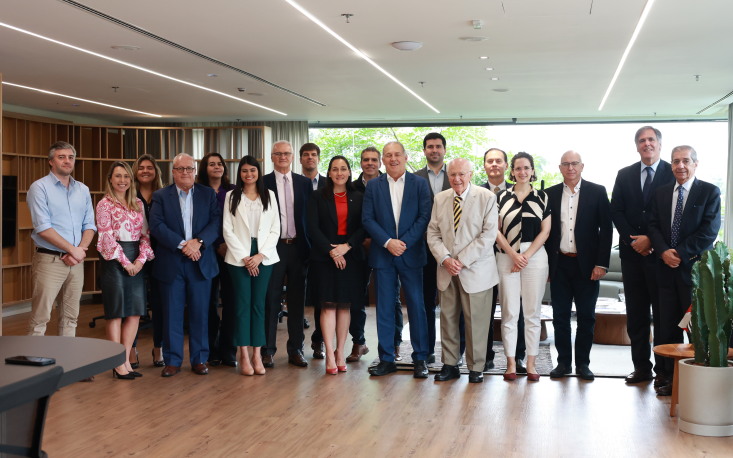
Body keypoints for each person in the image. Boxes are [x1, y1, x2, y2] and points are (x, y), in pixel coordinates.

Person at [649, 145, 720, 396]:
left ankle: (696, 378)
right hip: (664, 270)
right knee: (665, 327)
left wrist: (677, 252)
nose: (680, 166)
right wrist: (663, 252)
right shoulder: (661, 192)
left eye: (686, 161)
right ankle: (666, 376)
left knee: (696, 327)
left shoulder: (709, 192)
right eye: (676, 161)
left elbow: (709, 232)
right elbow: (653, 226)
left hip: (694, 273)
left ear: (695, 164)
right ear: (671, 165)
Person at [610, 126, 675, 389]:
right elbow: (617, 210)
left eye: (651, 140)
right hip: (632, 256)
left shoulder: (674, 172)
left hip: (661, 257)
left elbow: (673, 215)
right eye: (641, 140)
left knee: (663, 317)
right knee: (635, 315)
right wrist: (633, 240)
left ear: (659, 144)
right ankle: (641, 368)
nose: (646, 144)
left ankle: (664, 371)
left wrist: (651, 240)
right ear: (636, 146)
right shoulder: (624, 175)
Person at [362, 141, 432, 378]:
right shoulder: (373, 186)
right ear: (383, 159)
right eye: (388, 155)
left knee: (416, 307)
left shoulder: (419, 184)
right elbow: (368, 219)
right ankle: (386, 358)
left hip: (411, 254)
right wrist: (388, 242)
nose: (393, 159)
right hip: (383, 254)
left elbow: (424, 217)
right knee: (383, 308)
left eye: (397, 155)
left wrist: (403, 243)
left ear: (405, 157)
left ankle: (420, 358)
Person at [149, 153, 221, 377]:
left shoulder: (207, 194)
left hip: (200, 261)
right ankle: (173, 360)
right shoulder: (161, 196)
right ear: (173, 172)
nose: (185, 173)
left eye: (189, 169)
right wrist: (183, 245)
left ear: (195, 171)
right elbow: (157, 225)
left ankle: (199, 359)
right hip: (172, 262)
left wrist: (198, 243)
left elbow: (216, 222)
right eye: (180, 169)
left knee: (200, 313)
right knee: (172, 313)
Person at [427, 158, 499, 383]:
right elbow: (433, 233)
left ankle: (476, 367)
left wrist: (461, 260)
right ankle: (450, 364)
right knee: (447, 319)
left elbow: (488, 236)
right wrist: (445, 258)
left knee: (476, 321)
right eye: (452, 175)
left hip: (476, 270)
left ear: (470, 174)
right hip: (447, 270)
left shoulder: (487, 197)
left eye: (461, 174)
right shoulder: (440, 199)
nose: (456, 179)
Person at [545, 151, 613, 381]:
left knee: (586, 317)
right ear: (560, 167)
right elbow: (545, 232)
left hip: (588, 266)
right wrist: (546, 266)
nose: (570, 167)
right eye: (566, 164)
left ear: (582, 166)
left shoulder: (597, 191)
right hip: (560, 264)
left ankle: (583, 363)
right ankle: (563, 363)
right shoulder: (550, 194)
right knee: (560, 316)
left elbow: (606, 230)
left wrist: (601, 264)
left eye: (574, 163)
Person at [27, 141, 96, 338]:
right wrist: (73, 250)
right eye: (61, 157)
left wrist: (79, 250)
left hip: (76, 262)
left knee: (70, 318)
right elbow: (43, 228)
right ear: (51, 161)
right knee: (40, 319)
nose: (67, 161)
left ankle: (67, 365)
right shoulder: (39, 188)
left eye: (71, 157)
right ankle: (33, 367)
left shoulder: (82, 189)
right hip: (50, 261)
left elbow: (89, 225)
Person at [307, 156, 366, 374]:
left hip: (350, 257)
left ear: (349, 172)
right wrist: (332, 250)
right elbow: (312, 227)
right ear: (329, 173)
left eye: (343, 169)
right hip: (324, 258)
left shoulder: (359, 197)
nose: (339, 172)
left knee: (344, 305)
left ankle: (341, 351)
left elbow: (363, 227)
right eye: (334, 169)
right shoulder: (317, 197)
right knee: (328, 305)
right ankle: (330, 353)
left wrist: (346, 247)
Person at [495, 152, 551, 382]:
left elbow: (545, 231)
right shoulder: (501, 197)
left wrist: (525, 255)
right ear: (512, 171)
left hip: (535, 256)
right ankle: (510, 363)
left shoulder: (542, 197)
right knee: (509, 312)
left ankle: (531, 363)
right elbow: (495, 230)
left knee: (532, 313)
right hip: (506, 254)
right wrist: (512, 254)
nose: (522, 172)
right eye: (518, 168)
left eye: (526, 168)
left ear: (532, 171)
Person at [96, 161, 154, 379]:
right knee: (116, 312)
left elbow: (146, 236)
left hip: (136, 258)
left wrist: (139, 261)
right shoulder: (104, 204)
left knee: (135, 312)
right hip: (113, 260)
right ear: (110, 179)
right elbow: (106, 237)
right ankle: (117, 362)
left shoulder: (138, 203)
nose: (122, 180)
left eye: (126, 177)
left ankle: (127, 361)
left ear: (131, 180)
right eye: (118, 176)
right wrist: (125, 262)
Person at [223, 156, 280, 376]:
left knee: (259, 306)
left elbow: (276, 228)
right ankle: (244, 355)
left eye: (253, 171)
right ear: (240, 174)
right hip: (238, 258)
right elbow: (227, 230)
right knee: (242, 306)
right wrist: (246, 258)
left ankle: (258, 354)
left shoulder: (269, 196)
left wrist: (260, 256)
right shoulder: (232, 196)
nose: (249, 175)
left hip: (264, 256)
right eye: (245, 171)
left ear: (258, 173)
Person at [350, 146, 403, 363]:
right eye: (365, 160)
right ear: (361, 163)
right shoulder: (350, 186)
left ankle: (395, 343)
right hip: (359, 249)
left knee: (392, 298)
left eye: (373, 159)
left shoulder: (390, 183)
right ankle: (358, 342)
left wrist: (381, 240)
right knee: (357, 298)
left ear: (379, 162)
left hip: (385, 249)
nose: (370, 163)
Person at [263, 140, 313, 368]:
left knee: (296, 301)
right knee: (271, 300)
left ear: (293, 157)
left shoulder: (304, 183)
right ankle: (268, 350)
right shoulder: (263, 182)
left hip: (299, 247)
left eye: (286, 153)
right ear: (272, 156)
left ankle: (296, 350)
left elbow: (309, 218)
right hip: (273, 248)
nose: (282, 157)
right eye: (278, 153)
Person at [481, 148, 527, 372]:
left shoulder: (518, 190)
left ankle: (518, 355)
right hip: (481, 260)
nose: (494, 164)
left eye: (499, 161)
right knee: (485, 310)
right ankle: (485, 355)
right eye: (490, 161)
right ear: (484, 166)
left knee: (514, 308)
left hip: (510, 258)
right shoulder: (476, 191)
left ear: (506, 166)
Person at [197, 152, 237, 367]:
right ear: (205, 168)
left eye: (219, 163)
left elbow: (238, 222)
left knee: (231, 302)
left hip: (230, 252)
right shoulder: (198, 192)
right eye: (211, 164)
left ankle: (228, 349)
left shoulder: (232, 191)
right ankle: (210, 349)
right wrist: (214, 244)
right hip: (206, 253)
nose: (216, 167)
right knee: (209, 304)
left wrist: (226, 244)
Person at [414, 132, 451, 363]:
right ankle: (427, 350)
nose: (434, 150)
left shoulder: (457, 175)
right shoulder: (414, 178)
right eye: (430, 147)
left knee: (453, 304)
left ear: (444, 150)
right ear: (425, 151)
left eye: (438, 146)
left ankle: (454, 352)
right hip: (423, 249)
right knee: (426, 301)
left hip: (452, 251)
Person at [133, 154, 165, 367]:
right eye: (141, 167)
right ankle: (131, 350)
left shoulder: (164, 195)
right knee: (134, 305)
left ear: (156, 172)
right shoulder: (127, 194)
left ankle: (158, 349)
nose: (145, 171)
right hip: (133, 255)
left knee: (160, 304)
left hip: (161, 254)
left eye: (150, 168)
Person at [299, 142, 327, 360]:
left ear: (318, 158)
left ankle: (318, 342)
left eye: (314, 154)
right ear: (300, 159)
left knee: (321, 298)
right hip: (296, 246)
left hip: (322, 249)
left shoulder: (328, 184)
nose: (310, 158)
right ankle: (296, 345)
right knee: (297, 296)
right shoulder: (293, 183)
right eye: (306, 155)